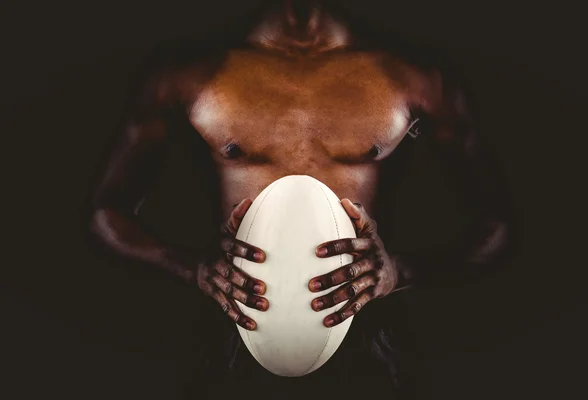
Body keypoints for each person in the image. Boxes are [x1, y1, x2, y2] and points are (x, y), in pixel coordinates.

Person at [89, 0, 512, 396]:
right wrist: (191, 268)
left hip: (365, 345)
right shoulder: (190, 73)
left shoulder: (413, 78)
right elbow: (107, 213)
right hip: (236, 340)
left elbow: (496, 224)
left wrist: (399, 272)